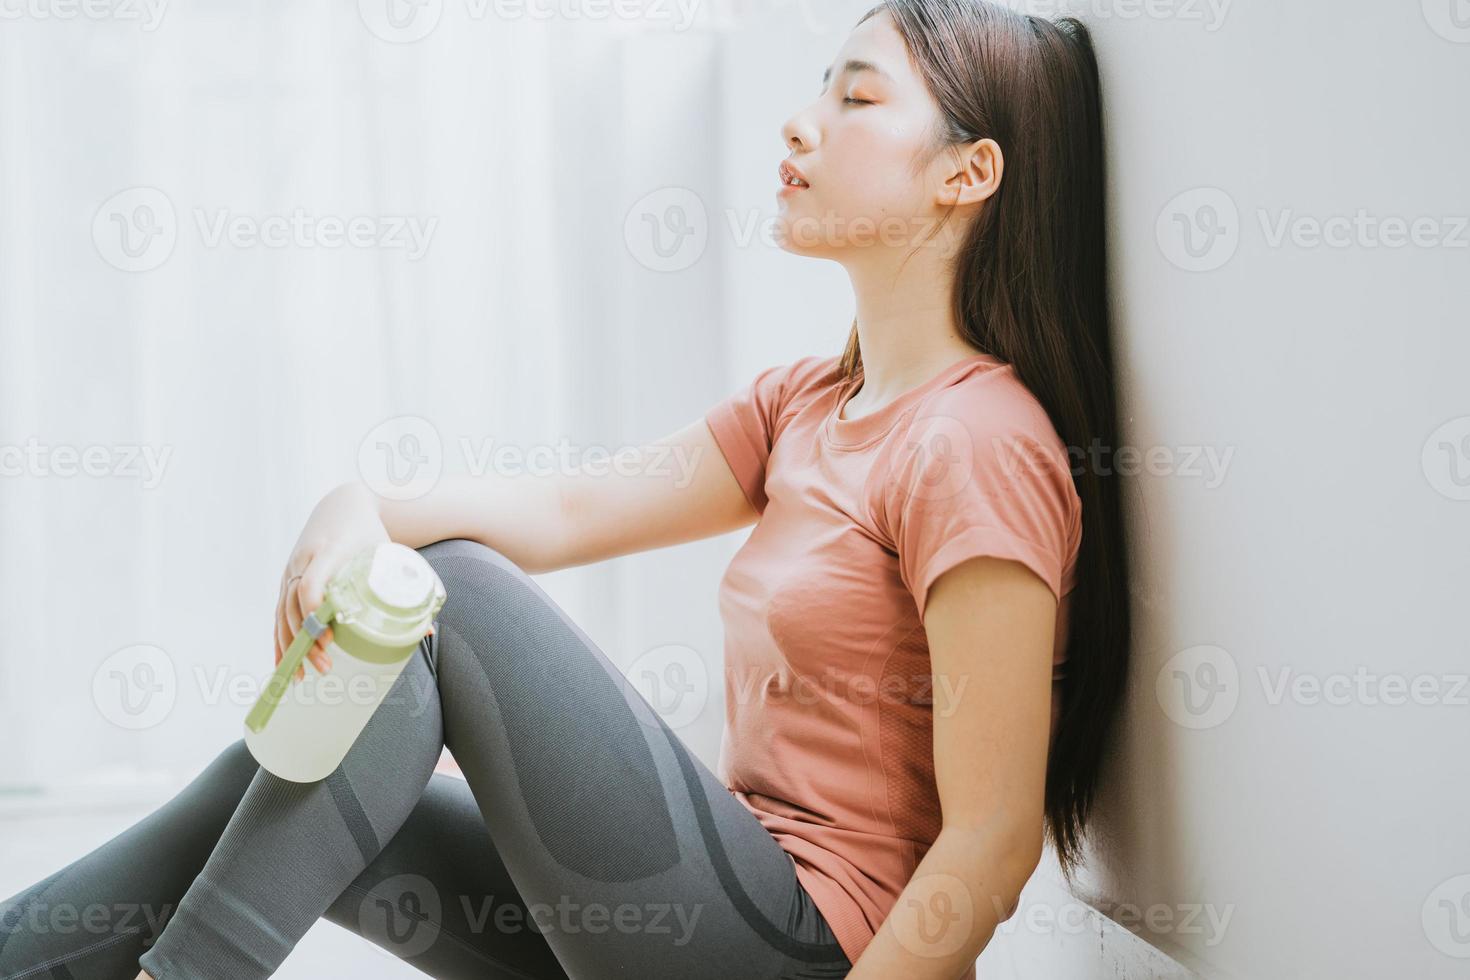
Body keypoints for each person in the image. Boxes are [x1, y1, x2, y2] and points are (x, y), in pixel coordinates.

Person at [0, 2, 1129, 977]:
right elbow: (570, 509)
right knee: (338, 780)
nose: (801, 123)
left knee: (450, 596)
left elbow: (989, 838)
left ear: (966, 173)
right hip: (706, 916)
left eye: (858, 99)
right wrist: (361, 503)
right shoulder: (808, 404)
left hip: (817, 947)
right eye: (815, 91)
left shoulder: (980, 441)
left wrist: (399, 543)